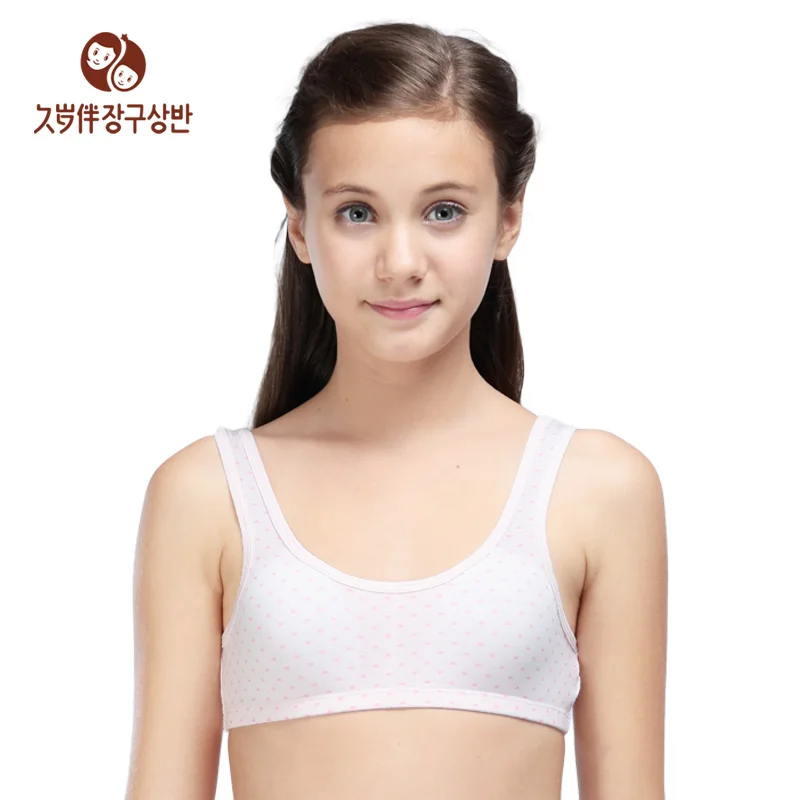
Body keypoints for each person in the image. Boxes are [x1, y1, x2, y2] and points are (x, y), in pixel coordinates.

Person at [124, 21, 668, 800]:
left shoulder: (598, 490)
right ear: (300, 225)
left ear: (508, 219)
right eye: (357, 213)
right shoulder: (208, 497)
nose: (400, 262)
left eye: (443, 211)